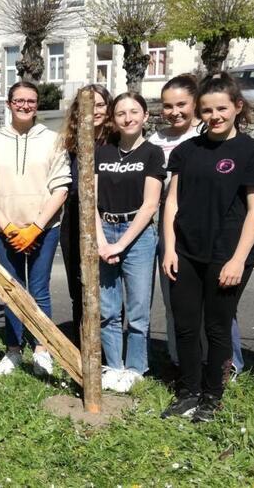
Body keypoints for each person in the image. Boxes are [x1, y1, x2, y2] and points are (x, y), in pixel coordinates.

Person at [161, 73, 254, 422]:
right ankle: (189, 390)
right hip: (186, 253)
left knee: (217, 327)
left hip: (227, 254)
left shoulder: (253, 152)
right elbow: (172, 203)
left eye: (221, 108)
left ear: (237, 107)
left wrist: (239, 259)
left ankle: (212, 395)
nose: (215, 116)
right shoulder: (185, 151)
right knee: (185, 325)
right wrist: (169, 248)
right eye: (207, 110)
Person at [0, 81, 70, 377]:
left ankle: (43, 349)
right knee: (12, 291)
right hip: (6, 230)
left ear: (37, 104)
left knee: (39, 289)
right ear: (9, 103)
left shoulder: (53, 140)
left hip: (44, 228)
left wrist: (36, 227)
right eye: (19, 100)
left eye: (31, 100)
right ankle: (13, 351)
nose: (25, 105)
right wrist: (8, 227)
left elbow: (61, 187)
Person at [152, 75, 246, 376]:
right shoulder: (157, 141)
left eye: (181, 104)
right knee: (178, 305)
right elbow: (166, 197)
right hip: (175, 232)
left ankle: (225, 364)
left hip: (217, 234)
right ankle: (182, 361)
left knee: (219, 310)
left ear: (195, 104)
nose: (174, 111)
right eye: (167, 106)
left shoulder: (215, 133)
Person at [95, 92, 164, 392]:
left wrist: (120, 245)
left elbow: (150, 205)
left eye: (134, 111)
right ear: (113, 118)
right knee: (108, 309)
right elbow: (92, 201)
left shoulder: (152, 153)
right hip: (103, 230)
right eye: (121, 112)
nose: (127, 117)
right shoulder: (103, 152)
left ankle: (136, 367)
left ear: (145, 116)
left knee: (137, 310)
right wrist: (100, 241)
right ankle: (113, 364)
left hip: (137, 235)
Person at [57, 84, 110, 344]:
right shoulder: (70, 143)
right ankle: (81, 342)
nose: (95, 111)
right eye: (89, 106)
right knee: (77, 284)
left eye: (100, 105)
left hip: (107, 219)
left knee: (107, 287)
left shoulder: (116, 142)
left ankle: (106, 344)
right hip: (74, 218)